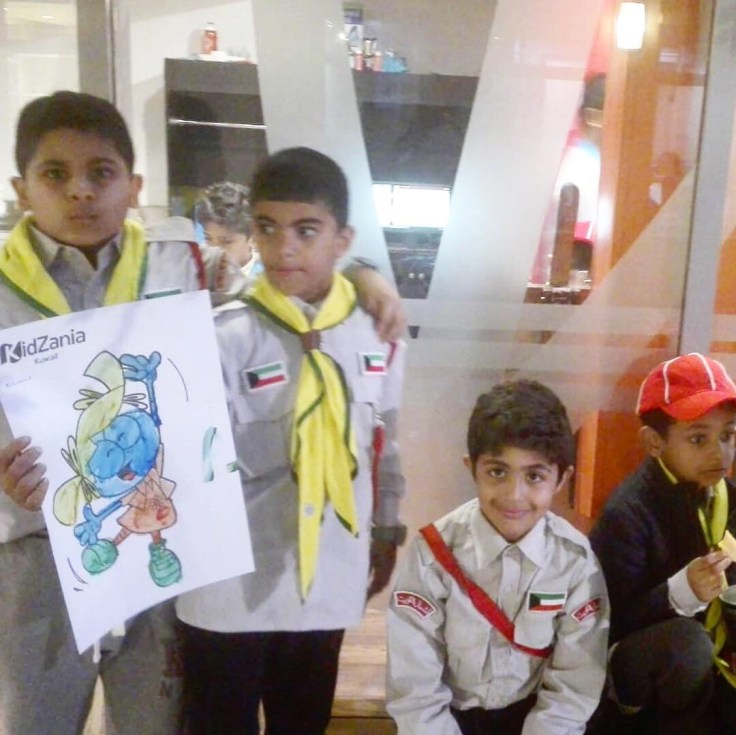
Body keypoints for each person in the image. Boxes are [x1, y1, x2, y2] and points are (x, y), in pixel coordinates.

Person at [0, 92, 405, 735]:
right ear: (22, 189)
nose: (80, 191)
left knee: (156, 724)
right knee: (36, 724)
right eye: (55, 174)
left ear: (133, 187)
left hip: (160, 545)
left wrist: (363, 274)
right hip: (38, 554)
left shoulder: (185, 265)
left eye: (101, 172)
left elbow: (285, 283)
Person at [175, 146, 407, 735]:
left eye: (307, 230)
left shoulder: (377, 335)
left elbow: (386, 442)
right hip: (227, 587)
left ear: (342, 239)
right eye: (268, 228)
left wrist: (386, 527)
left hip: (325, 575)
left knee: (303, 721)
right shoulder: (222, 337)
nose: (285, 249)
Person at [386, 380, 609, 735]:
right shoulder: (432, 555)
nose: (514, 495)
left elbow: (573, 687)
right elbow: (415, 688)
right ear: (471, 468)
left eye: (534, 476)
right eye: (497, 472)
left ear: (561, 479)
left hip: (536, 719)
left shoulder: (575, 562)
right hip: (449, 719)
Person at [589, 352, 736, 735]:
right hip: (631, 669)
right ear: (654, 442)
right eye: (698, 438)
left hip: (713, 662)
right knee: (686, 645)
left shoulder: (727, 496)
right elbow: (606, 621)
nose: (719, 453)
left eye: (727, 435)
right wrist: (680, 592)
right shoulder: (627, 514)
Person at [194, 180, 263, 279]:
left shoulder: (268, 279)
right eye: (208, 238)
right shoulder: (195, 272)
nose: (214, 250)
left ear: (253, 238)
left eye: (225, 242)